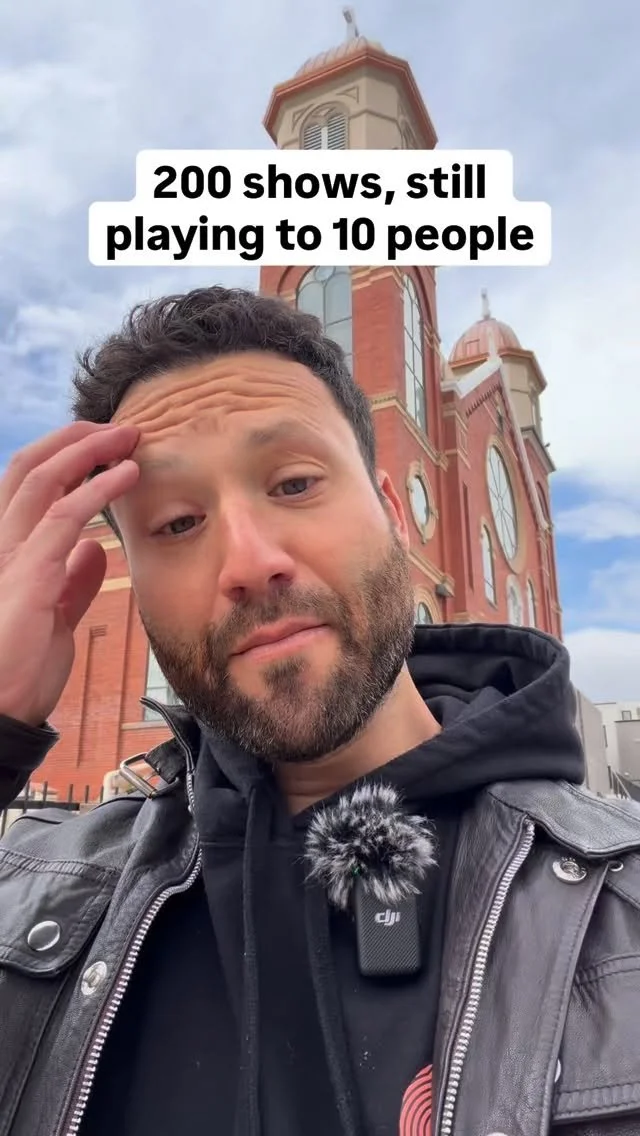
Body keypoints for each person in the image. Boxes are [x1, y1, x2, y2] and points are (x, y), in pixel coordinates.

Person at [1, 285, 639, 1136]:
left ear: (393, 512)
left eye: (296, 482)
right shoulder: (39, 897)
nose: (249, 561)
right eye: (177, 522)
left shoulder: (620, 911)